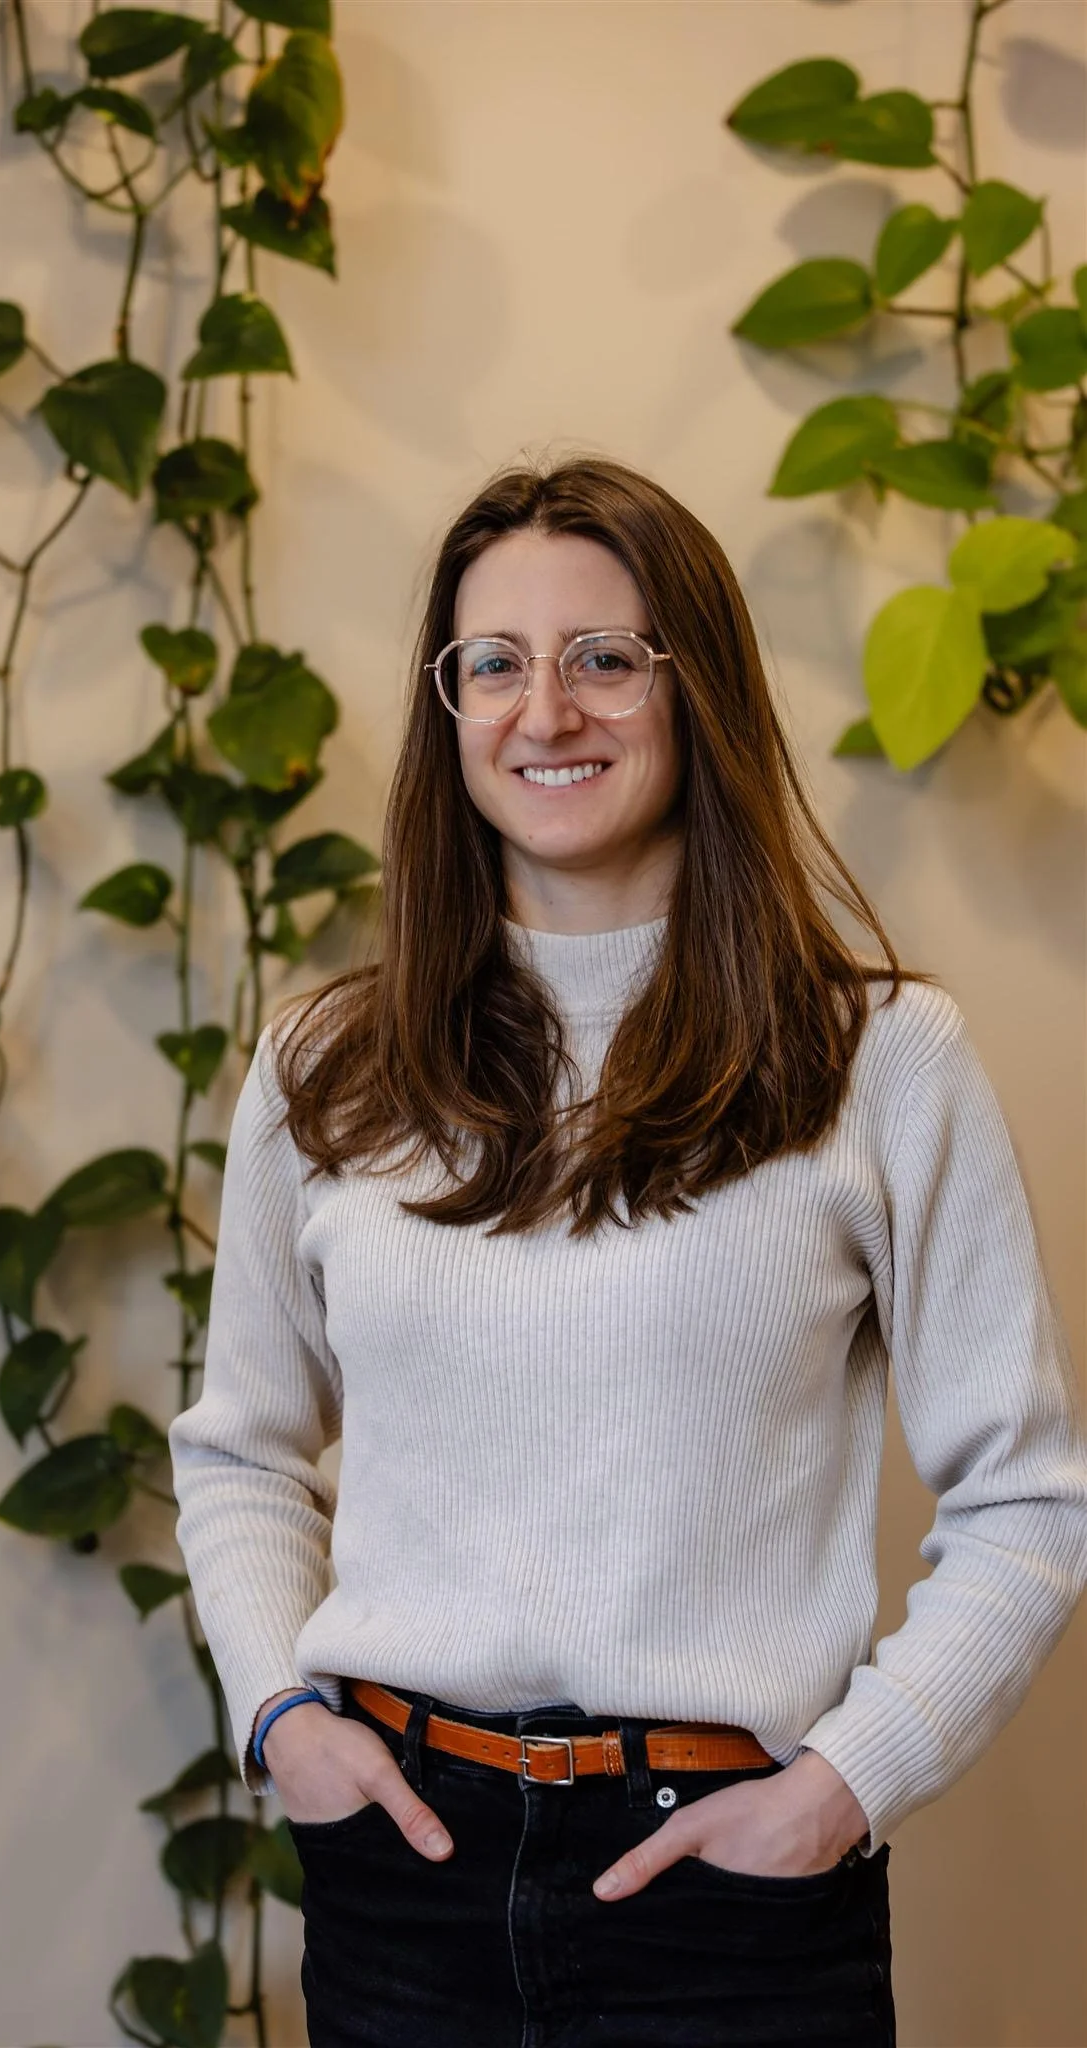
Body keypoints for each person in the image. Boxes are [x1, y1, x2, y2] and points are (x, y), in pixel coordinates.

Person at [168, 456, 1087, 2048]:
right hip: (401, 1869)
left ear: (698, 689)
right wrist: (282, 1722)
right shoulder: (326, 1065)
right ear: (446, 710)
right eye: (495, 665)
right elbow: (241, 1451)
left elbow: (1028, 1501)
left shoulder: (881, 1060)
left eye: (606, 657)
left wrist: (843, 1789)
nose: (547, 712)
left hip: (730, 1893)